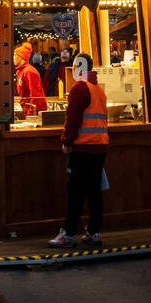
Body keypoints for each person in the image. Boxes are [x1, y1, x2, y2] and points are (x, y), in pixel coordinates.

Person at [49, 52, 108, 248]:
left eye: (75, 66)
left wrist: (67, 141)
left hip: (83, 147)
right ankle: (94, 231)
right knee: (94, 191)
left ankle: (68, 234)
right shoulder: (98, 88)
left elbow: (72, 118)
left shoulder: (80, 88)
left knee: (75, 190)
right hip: (100, 145)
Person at [13, 42, 47, 117]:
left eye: (15, 55)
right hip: (26, 111)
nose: (13, 57)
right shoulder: (19, 71)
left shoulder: (30, 71)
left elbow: (36, 96)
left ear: (21, 57)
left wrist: (30, 115)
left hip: (34, 113)